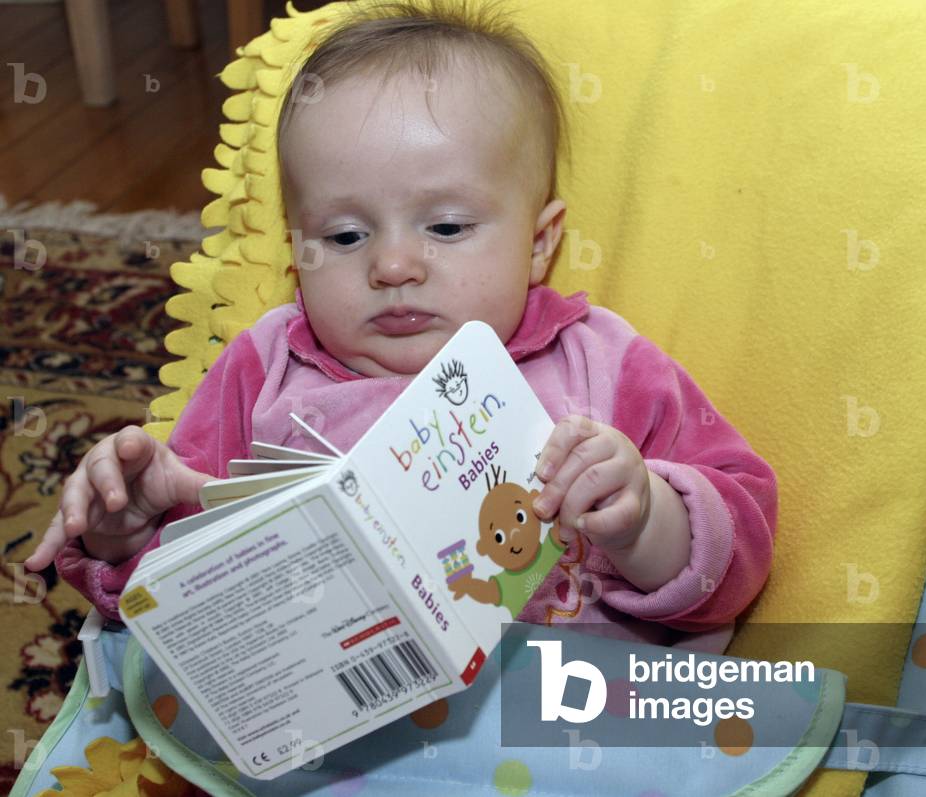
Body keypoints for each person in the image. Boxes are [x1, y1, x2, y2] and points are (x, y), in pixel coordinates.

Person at [22, 0, 776, 654]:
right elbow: (171, 609)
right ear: (295, 250)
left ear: (539, 242)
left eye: (446, 226)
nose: (391, 265)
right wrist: (128, 531)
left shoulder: (598, 360)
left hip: (570, 735)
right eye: (345, 236)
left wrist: (646, 518)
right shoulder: (267, 367)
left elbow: (741, 547)